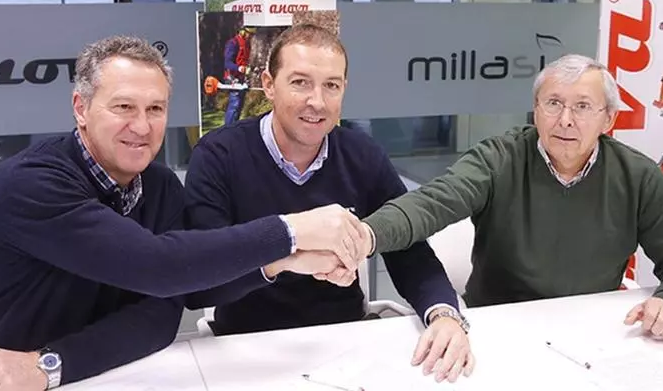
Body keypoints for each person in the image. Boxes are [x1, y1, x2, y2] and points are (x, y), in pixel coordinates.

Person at [0, 36, 367, 391]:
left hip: (92, 375)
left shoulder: (158, 186)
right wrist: (292, 230)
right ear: (81, 108)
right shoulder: (29, 183)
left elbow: (166, 309)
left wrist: (284, 260)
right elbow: (158, 267)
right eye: (124, 107)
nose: (142, 127)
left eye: (155, 109)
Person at [184, 24, 474, 384]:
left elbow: (408, 251)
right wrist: (286, 254)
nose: (317, 102)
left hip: (346, 344)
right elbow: (200, 283)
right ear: (269, 84)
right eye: (300, 83)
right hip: (247, 348)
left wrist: (443, 313)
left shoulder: (362, 155)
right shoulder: (219, 156)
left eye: (331, 86)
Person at [359, 54, 663, 342]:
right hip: (498, 327)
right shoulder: (499, 159)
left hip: (592, 330)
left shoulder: (638, 176)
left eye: (582, 106)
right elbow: (431, 204)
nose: (565, 120)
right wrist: (363, 236)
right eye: (553, 103)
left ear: (608, 119)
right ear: (536, 109)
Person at [223, 26, 255, 125]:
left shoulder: (247, 44)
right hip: (232, 78)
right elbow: (227, 63)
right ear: (243, 32)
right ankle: (228, 129)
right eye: (249, 34)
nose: (251, 36)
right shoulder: (233, 43)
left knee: (239, 105)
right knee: (234, 104)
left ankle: (234, 127)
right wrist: (239, 68)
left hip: (241, 78)